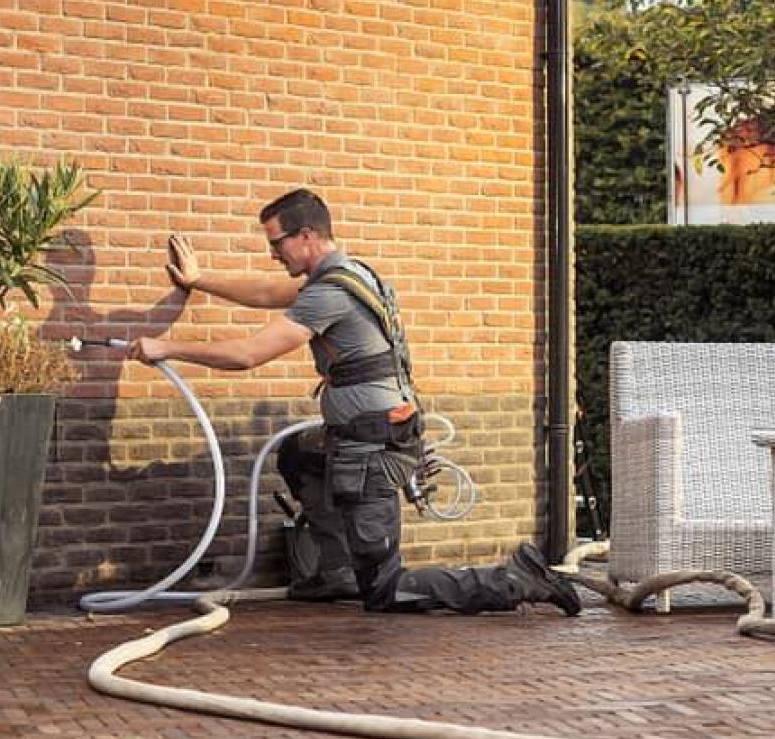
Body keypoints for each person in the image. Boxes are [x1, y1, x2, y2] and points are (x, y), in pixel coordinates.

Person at [126, 188, 580, 616]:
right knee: (299, 453)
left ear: (306, 236)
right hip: (360, 435)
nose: (272, 253)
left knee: (386, 591)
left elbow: (248, 355)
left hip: (373, 449)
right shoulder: (352, 275)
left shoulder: (330, 292)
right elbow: (265, 293)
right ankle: (336, 571)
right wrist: (199, 280)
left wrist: (167, 349)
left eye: (277, 241)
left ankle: (516, 581)